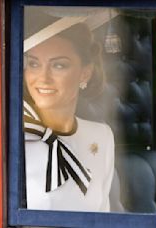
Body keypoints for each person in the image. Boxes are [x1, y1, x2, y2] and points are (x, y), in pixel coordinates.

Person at [23, 20, 115, 212]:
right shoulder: (9, 138)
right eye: (33, 64)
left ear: (85, 73)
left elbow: (102, 216)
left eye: (58, 66)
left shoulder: (102, 137)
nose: (43, 78)